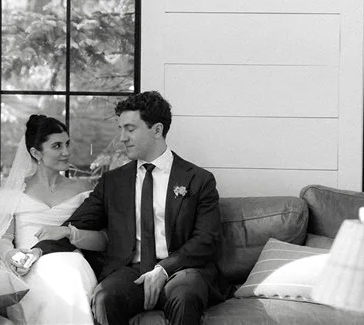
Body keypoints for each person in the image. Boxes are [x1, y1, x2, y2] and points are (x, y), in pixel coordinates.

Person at [41, 91, 228, 325]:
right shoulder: (113, 182)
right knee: (105, 298)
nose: (122, 137)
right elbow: (76, 225)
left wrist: (164, 269)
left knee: (185, 296)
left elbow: (207, 240)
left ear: (157, 130)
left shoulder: (198, 180)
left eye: (130, 129)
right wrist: (35, 252)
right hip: (131, 272)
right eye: (121, 129)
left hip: (181, 271)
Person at [0, 114, 107, 325]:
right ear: (36, 153)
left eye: (67, 144)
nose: (66, 152)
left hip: (73, 262)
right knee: (45, 284)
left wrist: (71, 234)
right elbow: (2, 238)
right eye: (57, 146)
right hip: (29, 265)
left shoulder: (83, 190)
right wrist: (12, 256)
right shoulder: (14, 192)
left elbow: (102, 241)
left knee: (71, 277)